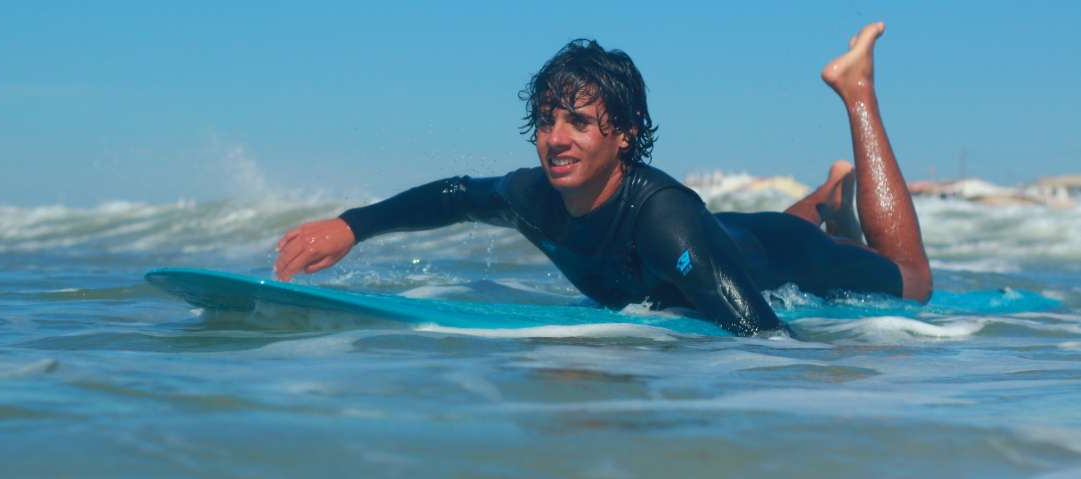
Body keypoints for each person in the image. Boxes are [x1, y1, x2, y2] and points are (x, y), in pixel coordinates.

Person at [274, 22, 931, 336]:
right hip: (728, 239)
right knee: (751, 237)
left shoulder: (661, 219)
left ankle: (856, 92)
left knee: (910, 280)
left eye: (579, 122)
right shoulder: (531, 195)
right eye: (545, 119)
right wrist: (349, 226)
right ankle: (829, 193)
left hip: (772, 259)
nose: (555, 137)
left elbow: (763, 335)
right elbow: (453, 196)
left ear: (622, 135)